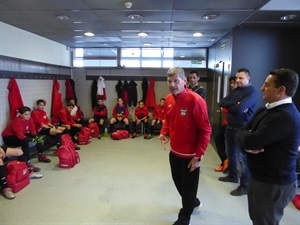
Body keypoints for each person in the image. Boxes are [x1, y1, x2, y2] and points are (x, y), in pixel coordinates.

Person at [239, 68, 300, 225]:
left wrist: (247, 139)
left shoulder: (285, 116)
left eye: (266, 85)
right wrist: (247, 139)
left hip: (273, 184)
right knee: (257, 219)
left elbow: (249, 140)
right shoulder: (267, 108)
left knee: (264, 222)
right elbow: (244, 134)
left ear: (281, 90)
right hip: (259, 178)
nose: (261, 88)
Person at [158, 67, 211, 225]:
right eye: (169, 81)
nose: (172, 84)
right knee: (179, 184)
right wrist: (164, 132)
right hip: (174, 152)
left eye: (176, 81)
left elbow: (205, 129)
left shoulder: (196, 101)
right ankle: (192, 201)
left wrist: (199, 155)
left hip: (190, 157)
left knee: (188, 188)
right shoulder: (168, 99)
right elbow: (168, 119)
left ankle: (184, 217)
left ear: (184, 81)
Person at [218, 68, 259, 196]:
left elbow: (241, 108)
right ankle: (233, 175)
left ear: (248, 78)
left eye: (241, 78)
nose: (238, 80)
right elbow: (222, 102)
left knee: (242, 158)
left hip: (242, 129)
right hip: (230, 127)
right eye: (237, 78)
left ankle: (245, 186)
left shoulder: (252, 92)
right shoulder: (236, 91)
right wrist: (236, 103)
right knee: (230, 153)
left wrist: (235, 106)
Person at [1, 106, 49, 172]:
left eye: (29, 114)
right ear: (20, 114)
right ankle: (27, 163)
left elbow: (32, 129)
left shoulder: (29, 119)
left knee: (38, 139)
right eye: (25, 114)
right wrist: (32, 140)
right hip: (9, 137)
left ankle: (41, 155)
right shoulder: (17, 121)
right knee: (25, 142)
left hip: (20, 134)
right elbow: (20, 136)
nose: (28, 116)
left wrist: (35, 137)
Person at [214, 76, 237, 172]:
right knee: (218, 139)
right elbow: (222, 103)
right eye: (231, 83)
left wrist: (228, 105)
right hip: (226, 123)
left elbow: (236, 108)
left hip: (234, 125)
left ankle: (228, 165)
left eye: (234, 83)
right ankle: (225, 161)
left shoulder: (242, 95)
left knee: (232, 146)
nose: (232, 85)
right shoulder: (231, 94)